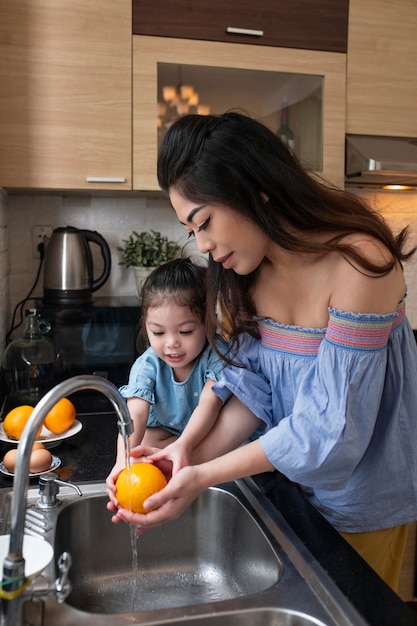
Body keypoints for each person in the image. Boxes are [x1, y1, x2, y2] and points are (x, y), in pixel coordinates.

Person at [108, 112, 417, 592]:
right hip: (288, 488)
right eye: (193, 232)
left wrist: (202, 474)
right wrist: (183, 460)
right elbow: (254, 393)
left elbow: (331, 432)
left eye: (204, 222)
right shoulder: (247, 275)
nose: (205, 246)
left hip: (362, 502)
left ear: (254, 187)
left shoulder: (361, 263)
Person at [107, 256, 259, 484]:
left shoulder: (218, 355)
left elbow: (210, 403)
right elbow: (136, 414)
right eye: (158, 333)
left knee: (226, 440)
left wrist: (183, 445)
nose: (171, 343)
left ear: (208, 322)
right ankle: (171, 459)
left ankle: (185, 458)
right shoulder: (147, 365)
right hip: (163, 429)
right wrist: (123, 459)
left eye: (185, 332)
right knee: (144, 446)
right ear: (146, 326)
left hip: (203, 432)